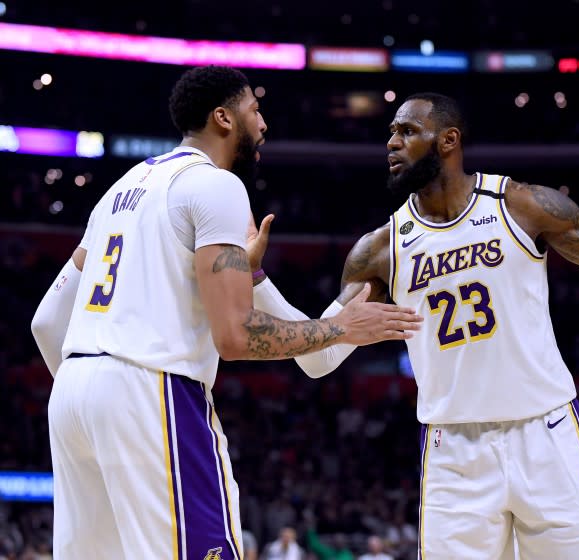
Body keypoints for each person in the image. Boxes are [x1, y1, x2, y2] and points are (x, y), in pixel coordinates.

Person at [259, 92, 579, 559]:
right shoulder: (379, 251)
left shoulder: (521, 206)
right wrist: (256, 277)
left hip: (546, 435)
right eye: (390, 133)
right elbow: (317, 357)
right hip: (455, 454)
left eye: (406, 131)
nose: (391, 143)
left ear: (448, 140)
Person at [29, 65, 421, 559]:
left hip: (71, 396)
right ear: (223, 118)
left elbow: (45, 321)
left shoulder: (120, 190)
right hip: (149, 388)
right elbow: (234, 338)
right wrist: (342, 326)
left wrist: (94, 388)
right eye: (255, 110)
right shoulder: (216, 186)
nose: (263, 125)